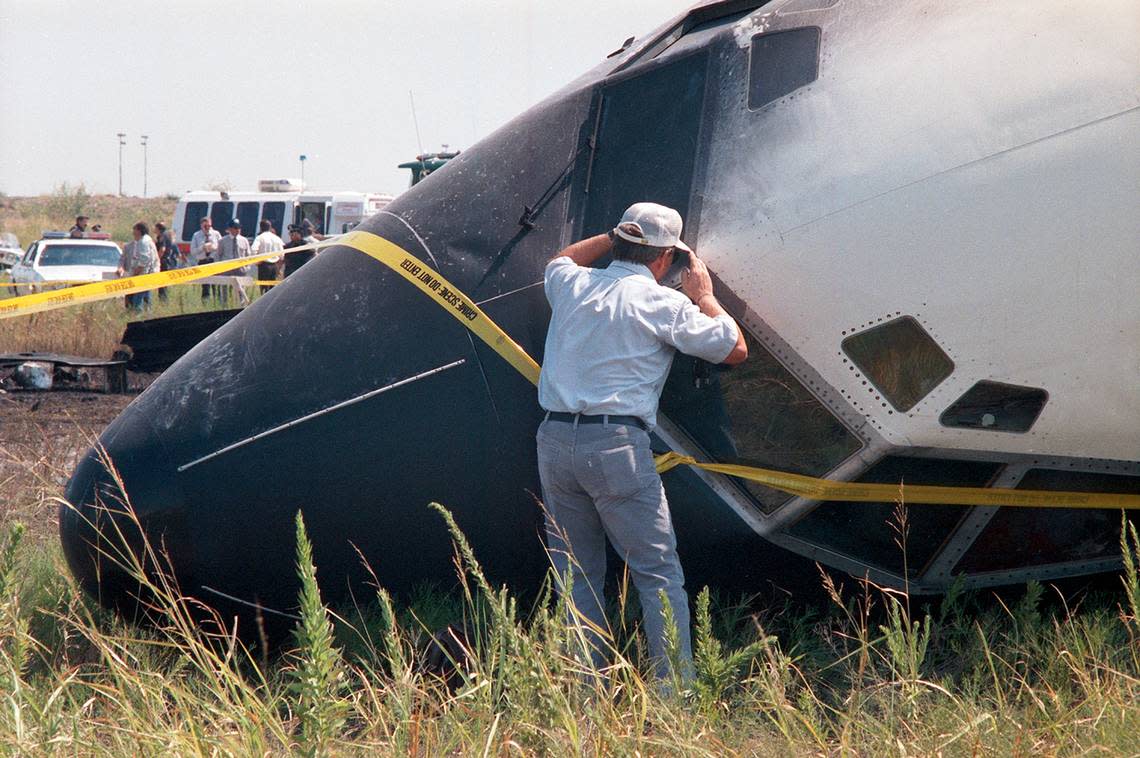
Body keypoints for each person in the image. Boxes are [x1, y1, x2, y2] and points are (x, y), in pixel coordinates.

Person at [536, 202, 748, 681]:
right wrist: (705, 295)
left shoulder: (571, 285)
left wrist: (614, 237)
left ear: (619, 243)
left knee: (577, 572)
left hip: (553, 440)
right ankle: (675, 697)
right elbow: (734, 349)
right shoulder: (664, 303)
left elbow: (561, 258)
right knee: (656, 573)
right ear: (665, 260)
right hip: (616, 445)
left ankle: (582, 696)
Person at [119, 221, 160, 311]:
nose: (133, 232)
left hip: (144, 274)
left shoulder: (143, 242)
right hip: (149, 273)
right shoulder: (147, 240)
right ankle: (148, 314)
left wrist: (137, 271)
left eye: (135, 229)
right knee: (146, 297)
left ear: (139, 230)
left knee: (137, 299)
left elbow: (144, 259)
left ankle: (138, 315)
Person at [216, 218, 253, 305]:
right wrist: (219, 268)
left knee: (241, 290)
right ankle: (224, 306)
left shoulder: (244, 240)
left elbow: (248, 255)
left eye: (239, 228)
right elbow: (218, 255)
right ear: (230, 229)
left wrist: (247, 267)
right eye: (235, 228)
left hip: (240, 270)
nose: (238, 230)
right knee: (225, 290)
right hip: (227, 269)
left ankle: (241, 306)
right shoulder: (222, 241)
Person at [251, 219, 284, 293]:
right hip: (274, 266)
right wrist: (278, 266)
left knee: (263, 289)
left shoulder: (260, 237)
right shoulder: (276, 238)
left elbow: (253, 250)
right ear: (270, 227)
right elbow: (282, 254)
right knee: (273, 289)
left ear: (261, 228)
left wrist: (257, 262)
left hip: (264, 265)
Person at [153, 221, 178, 301]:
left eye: (155, 228)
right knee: (163, 284)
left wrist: (157, 259)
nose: (154, 230)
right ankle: (163, 299)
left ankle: (163, 300)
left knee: (162, 283)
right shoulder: (166, 235)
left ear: (158, 229)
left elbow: (162, 249)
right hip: (166, 262)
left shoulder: (163, 236)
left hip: (163, 262)